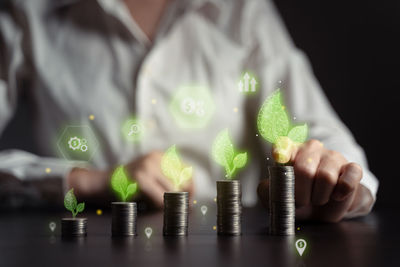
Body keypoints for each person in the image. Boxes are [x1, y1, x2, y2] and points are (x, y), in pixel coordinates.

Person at [0, 0, 378, 222]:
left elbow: (325, 138)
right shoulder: (28, 12)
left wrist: (335, 177)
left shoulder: (243, 11)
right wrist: (90, 181)